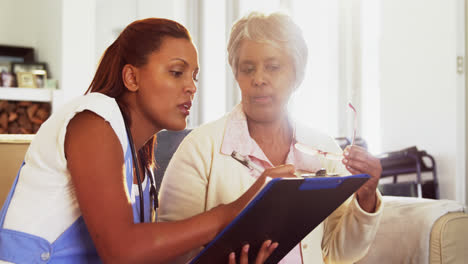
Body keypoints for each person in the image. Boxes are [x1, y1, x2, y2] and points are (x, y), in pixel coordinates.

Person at [0, 18, 292, 264]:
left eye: (194, 76)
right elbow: (121, 250)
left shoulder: (141, 162)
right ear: (131, 78)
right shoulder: (94, 119)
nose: (191, 87)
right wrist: (233, 212)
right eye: (177, 73)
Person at [158, 12, 384, 264]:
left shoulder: (323, 148)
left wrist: (366, 198)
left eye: (273, 67)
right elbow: (169, 253)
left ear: (297, 75)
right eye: (247, 69)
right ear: (236, 74)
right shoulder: (200, 148)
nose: (258, 79)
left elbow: (338, 253)